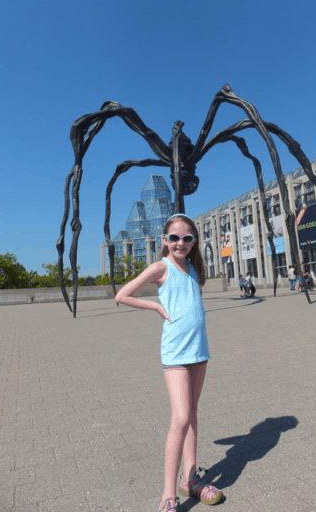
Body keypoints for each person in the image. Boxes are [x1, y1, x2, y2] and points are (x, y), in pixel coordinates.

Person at [115, 213, 223, 512]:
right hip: (175, 353)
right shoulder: (160, 267)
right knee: (180, 417)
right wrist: (155, 307)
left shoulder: (193, 267)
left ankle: (190, 479)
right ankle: (167, 493)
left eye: (187, 238)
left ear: (194, 242)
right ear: (165, 240)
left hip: (199, 351)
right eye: (174, 238)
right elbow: (122, 295)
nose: (180, 243)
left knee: (192, 415)